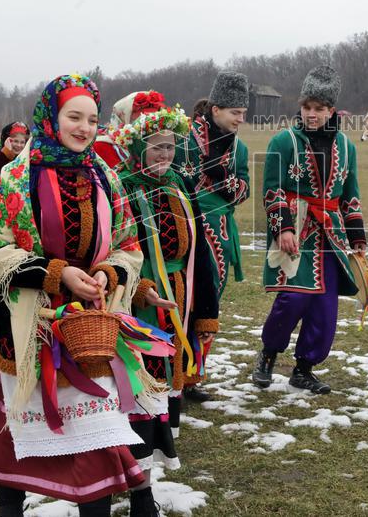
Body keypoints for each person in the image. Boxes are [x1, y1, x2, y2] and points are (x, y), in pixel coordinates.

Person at [0, 73, 168, 517]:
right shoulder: (16, 176)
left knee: (98, 431)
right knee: (14, 435)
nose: (84, 128)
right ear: (51, 117)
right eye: (74, 116)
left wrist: (108, 273)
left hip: (91, 326)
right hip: (24, 325)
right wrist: (56, 273)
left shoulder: (104, 175)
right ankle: (10, 506)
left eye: (92, 119)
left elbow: (128, 245)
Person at [115, 100, 219, 511]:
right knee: (141, 394)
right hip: (136, 303)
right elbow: (112, 249)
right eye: (156, 146)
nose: (164, 155)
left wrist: (204, 312)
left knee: (162, 396)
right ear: (137, 146)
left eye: (170, 147)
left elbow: (201, 252)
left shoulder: (180, 184)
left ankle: (144, 481)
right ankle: (136, 487)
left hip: (178, 297)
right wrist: (138, 290)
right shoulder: (120, 186)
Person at [252, 65, 367, 394]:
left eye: (319, 108)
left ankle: (304, 369)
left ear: (332, 110)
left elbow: (350, 194)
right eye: (307, 108)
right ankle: (268, 356)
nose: (312, 114)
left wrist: (357, 237)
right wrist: (282, 229)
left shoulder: (347, 147)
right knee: (293, 299)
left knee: (324, 307)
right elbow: (272, 190)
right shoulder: (283, 141)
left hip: (331, 234)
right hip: (297, 229)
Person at [174, 71, 251, 402]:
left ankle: (192, 376)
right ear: (216, 108)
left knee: (208, 305)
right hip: (183, 227)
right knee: (179, 300)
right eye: (235, 113)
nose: (240, 120)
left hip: (220, 233)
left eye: (243, 114)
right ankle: (168, 372)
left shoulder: (240, 149)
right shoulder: (184, 139)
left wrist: (224, 180)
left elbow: (244, 189)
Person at [94, 91, 164, 170]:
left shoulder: (163, 146)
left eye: (153, 121)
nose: (148, 126)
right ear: (123, 118)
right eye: (141, 120)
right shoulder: (100, 146)